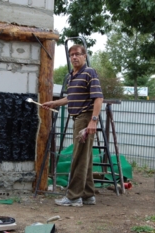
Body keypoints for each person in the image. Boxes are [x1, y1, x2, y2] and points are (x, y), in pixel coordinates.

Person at [42, 44, 104, 207]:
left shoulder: (89, 72)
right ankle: (87, 195)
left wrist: (93, 121)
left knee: (78, 158)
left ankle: (73, 197)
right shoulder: (71, 76)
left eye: (77, 54)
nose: (74, 57)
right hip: (77, 118)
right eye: (71, 55)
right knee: (86, 157)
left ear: (84, 56)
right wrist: (54, 103)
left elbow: (98, 98)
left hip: (85, 118)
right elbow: (70, 98)